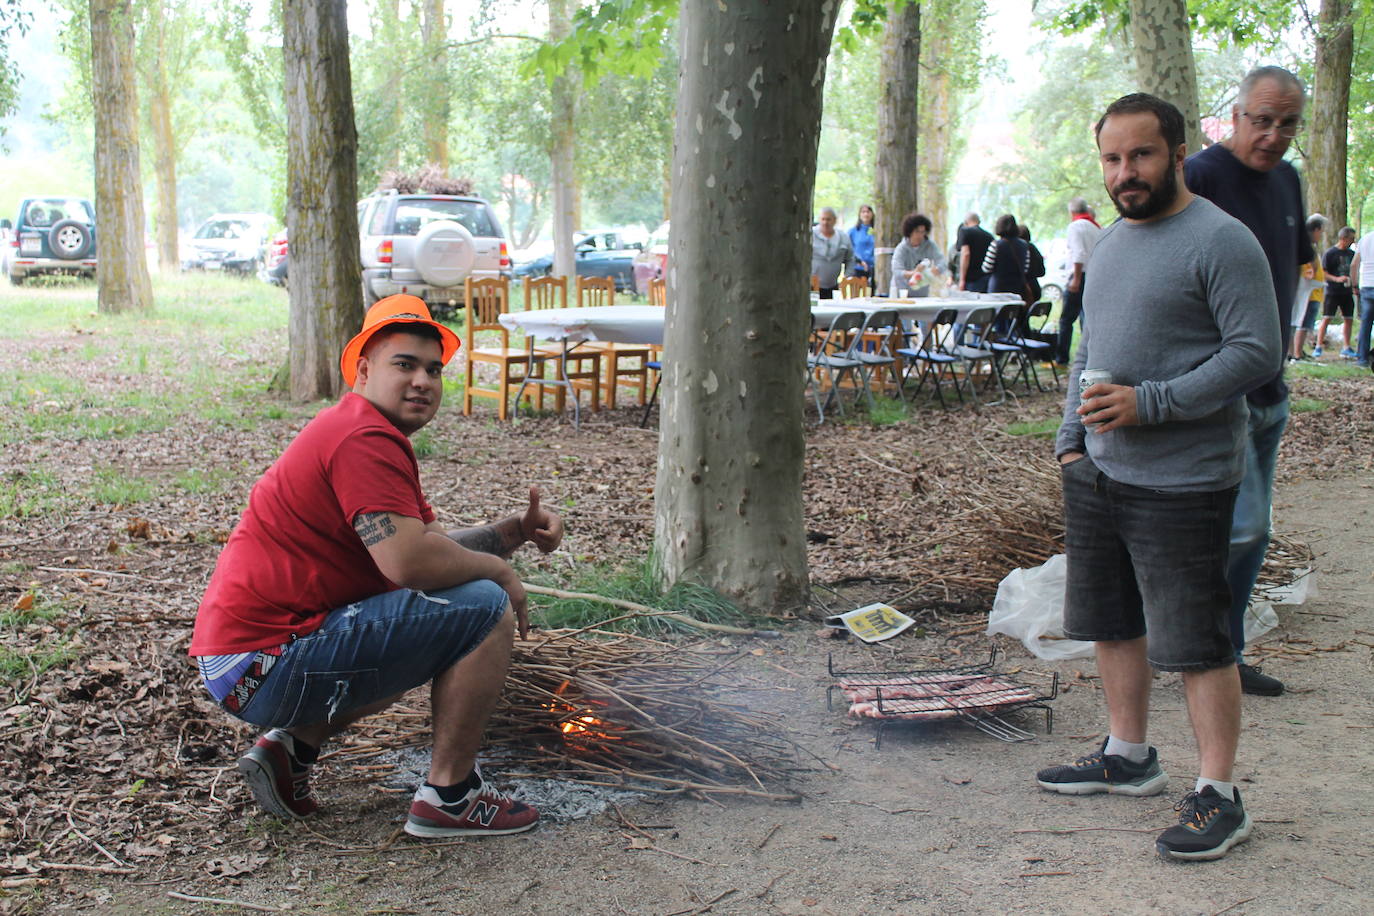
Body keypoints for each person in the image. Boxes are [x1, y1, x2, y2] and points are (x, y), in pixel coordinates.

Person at [190, 294, 564, 838]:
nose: (423, 381)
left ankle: (289, 749)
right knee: (485, 607)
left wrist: (510, 535)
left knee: (436, 620)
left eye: (434, 370)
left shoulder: (364, 431)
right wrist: (500, 575)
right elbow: (410, 561)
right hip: (262, 662)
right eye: (404, 364)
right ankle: (450, 797)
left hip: (244, 664)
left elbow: (425, 547)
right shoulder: (363, 438)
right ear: (364, 371)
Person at [1037, 93, 1280, 862]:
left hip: (1185, 478)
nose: (1124, 172)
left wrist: (1153, 404)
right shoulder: (1108, 244)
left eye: (1140, 155)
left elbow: (1255, 354)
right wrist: (1072, 440)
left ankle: (1220, 794)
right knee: (1113, 619)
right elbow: (1087, 349)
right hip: (1101, 471)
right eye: (1112, 159)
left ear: (1177, 154)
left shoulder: (1220, 240)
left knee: (1198, 639)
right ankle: (1128, 753)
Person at [1185, 65, 1313, 697]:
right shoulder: (1202, 178)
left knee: (1244, 531)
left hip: (1271, 389)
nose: (1272, 135)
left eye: (1286, 123)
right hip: (1218, 389)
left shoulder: (1288, 180)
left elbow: (1292, 274)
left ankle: (1221, 651)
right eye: (1261, 120)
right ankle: (1209, 653)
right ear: (1234, 116)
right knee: (1244, 528)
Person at [1057, 197, 1102, 365]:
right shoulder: (1095, 227)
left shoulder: (1075, 226)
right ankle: (1089, 359)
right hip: (1093, 276)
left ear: (1071, 212)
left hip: (1080, 275)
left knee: (1066, 320)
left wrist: (1075, 279)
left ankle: (1062, 358)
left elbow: (1078, 253)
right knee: (1086, 319)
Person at [1313, 225, 1357, 359]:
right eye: (1351, 239)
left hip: (1347, 292)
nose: (1352, 241)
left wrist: (1354, 284)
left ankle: (1346, 346)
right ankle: (1318, 346)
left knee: (1348, 319)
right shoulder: (1330, 253)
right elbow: (1324, 273)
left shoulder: (1351, 254)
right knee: (1327, 318)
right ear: (1343, 238)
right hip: (1332, 291)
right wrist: (1337, 279)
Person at [1292, 216, 1327, 361]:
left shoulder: (1310, 246)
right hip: (1306, 292)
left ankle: (1298, 351)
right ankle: (1296, 354)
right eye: (1321, 232)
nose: (1321, 235)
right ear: (1316, 229)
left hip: (1314, 291)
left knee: (1306, 324)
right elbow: (1304, 268)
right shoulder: (1303, 246)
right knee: (1301, 322)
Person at [890, 212, 943, 297]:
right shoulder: (901, 248)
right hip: (902, 292)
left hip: (921, 293)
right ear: (910, 232)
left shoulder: (930, 246)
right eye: (917, 232)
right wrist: (914, 272)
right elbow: (897, 271)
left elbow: (941, 261)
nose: (920, 235)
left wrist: (937, 269)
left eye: (923, 232)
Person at [980, 214, 1029, 296]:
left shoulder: (996, 244)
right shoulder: (1024, 245)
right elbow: (1026, 269)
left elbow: (986, 268)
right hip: (1017, 289)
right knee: (1013, 309)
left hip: (997, 288)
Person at [811, 207, 852, 299]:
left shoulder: (843, 237)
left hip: (832, 286)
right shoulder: (811, 234)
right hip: (812, 286)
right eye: (823, 219)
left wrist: (846, 277)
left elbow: (850, 259)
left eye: (828, 219)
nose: (825, 222)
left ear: (834, 220)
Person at [955, 212, 994, 292]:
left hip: (971, 280)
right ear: (979, 222)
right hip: (986, 279)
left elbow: (966, 254)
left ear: (965, 222)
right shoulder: (989, 236)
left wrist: (962, 279)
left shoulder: (964, 231)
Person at [1354, 227, 1374, 368]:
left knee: (1365, 324)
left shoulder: (1365, 239)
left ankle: (1362, 359)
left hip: (1366, 285)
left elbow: (1354, 264)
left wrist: (1354, 284)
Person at [848, 204, 877, 294]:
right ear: (860, 215)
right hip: (857, 268)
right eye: (863, 212)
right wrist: (859, 260)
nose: (866, 214)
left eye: (868, 212)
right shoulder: (853, 231)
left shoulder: (877, 230)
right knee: (855, 295)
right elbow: (849, 249)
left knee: (871, 295)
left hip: (873, 269)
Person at [1018, 224, 1046, 305]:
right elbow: (1042, 272)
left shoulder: (1021, 249)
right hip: (1035, 288)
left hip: (1024, 290)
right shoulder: (1034, 248)